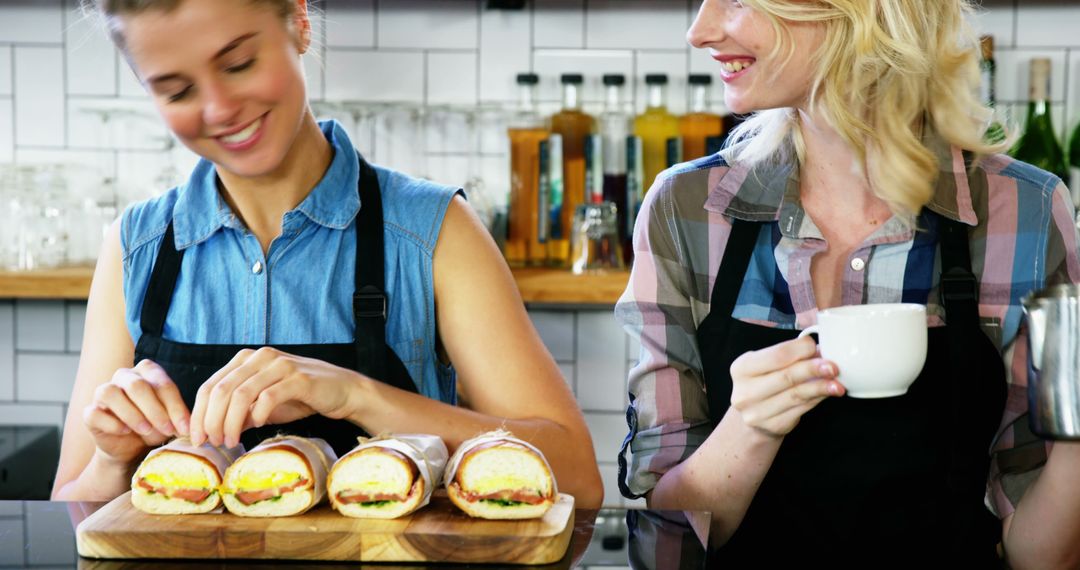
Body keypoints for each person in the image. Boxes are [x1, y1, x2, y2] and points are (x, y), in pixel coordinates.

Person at [52, 0, 602, 510]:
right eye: (176, 91)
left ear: (298, 20)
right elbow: (66, 511)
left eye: (239, 63)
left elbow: (578, 476)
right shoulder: (135, 245)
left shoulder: (434, 232)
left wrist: (356, 395)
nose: (219, 109)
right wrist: (112, 457)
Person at [616, 0, 1080, 566]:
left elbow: (1042, 557)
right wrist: (749, 427)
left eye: (737, 0)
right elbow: (665, 545)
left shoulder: (1024, 210)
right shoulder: (687, 209)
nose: (700, 31)